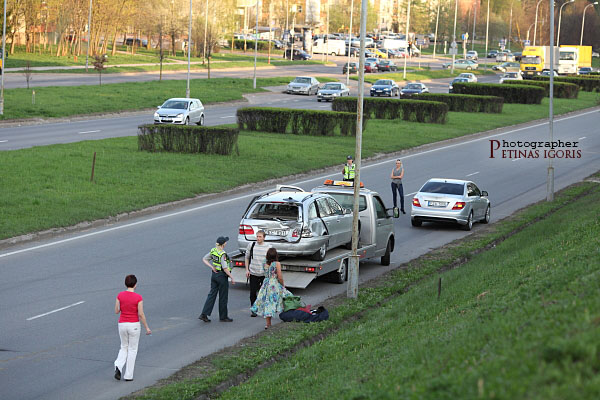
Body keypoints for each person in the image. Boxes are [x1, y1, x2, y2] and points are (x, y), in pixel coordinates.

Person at [114, 274, 151, 382]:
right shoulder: (138, 297)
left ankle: (118, 365)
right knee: (132, 349)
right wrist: (147, 327)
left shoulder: (120, 295)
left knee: (123, 346)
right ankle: (128, 375)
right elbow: (141, 314)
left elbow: (116, 311)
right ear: (135, 285)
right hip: (134, 325)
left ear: (126, 284)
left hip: (122, 324)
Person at [199, 236, 236, 323]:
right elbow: (225, 267)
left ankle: (204, 314)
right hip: (222, 276)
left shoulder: (213, 251)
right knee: (223, 296)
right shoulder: (222, 254)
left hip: (214, 275)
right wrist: (231, 277)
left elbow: (204, 259)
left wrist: (212, 267)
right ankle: (223, 316)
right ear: (223, 244)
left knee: (211, 295)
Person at [251, 248, 288, 329]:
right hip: (274, 283)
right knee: (284, 297)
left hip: (266, 283)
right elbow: (280, 276)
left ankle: (268, 324)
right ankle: (287, 316)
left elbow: (264, 273)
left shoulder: (264, 262)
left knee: (267, 303)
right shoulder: (277, 264)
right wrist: (283, 285)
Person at [245, 230, 272, 317]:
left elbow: (271, 260)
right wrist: (247, 270)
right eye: (257, 236)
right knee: (253, 292)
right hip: (253, 272)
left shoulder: (268, 247)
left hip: (263, 274)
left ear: (264, 238)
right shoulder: (251, 245)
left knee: (264, 292)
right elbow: (247, 258)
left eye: (260, 237)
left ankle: (263, 309)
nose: (258, 238)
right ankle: (254, 309)